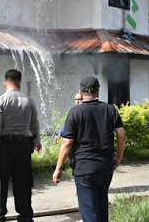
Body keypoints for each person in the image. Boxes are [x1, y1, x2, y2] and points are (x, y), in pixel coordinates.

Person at [53, 76, 125, 222]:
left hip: (84, 168)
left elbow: (67, 143)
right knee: (102, 209)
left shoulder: (75, 112)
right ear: (98, 91)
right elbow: (121, 136)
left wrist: (58, 169)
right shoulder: (110, 110)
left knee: (90, 214)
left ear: (81, 92)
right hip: (105, 167)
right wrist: (118, 158)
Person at [0, 69, 42, 222]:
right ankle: (26, 218)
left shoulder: (0, 101)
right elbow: (34, 124)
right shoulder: (29, 101)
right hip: (23, 149)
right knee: (23, 187)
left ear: (5, 82)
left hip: (4, 148)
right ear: (19, 82)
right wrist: (36, 141)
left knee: (0, 186)